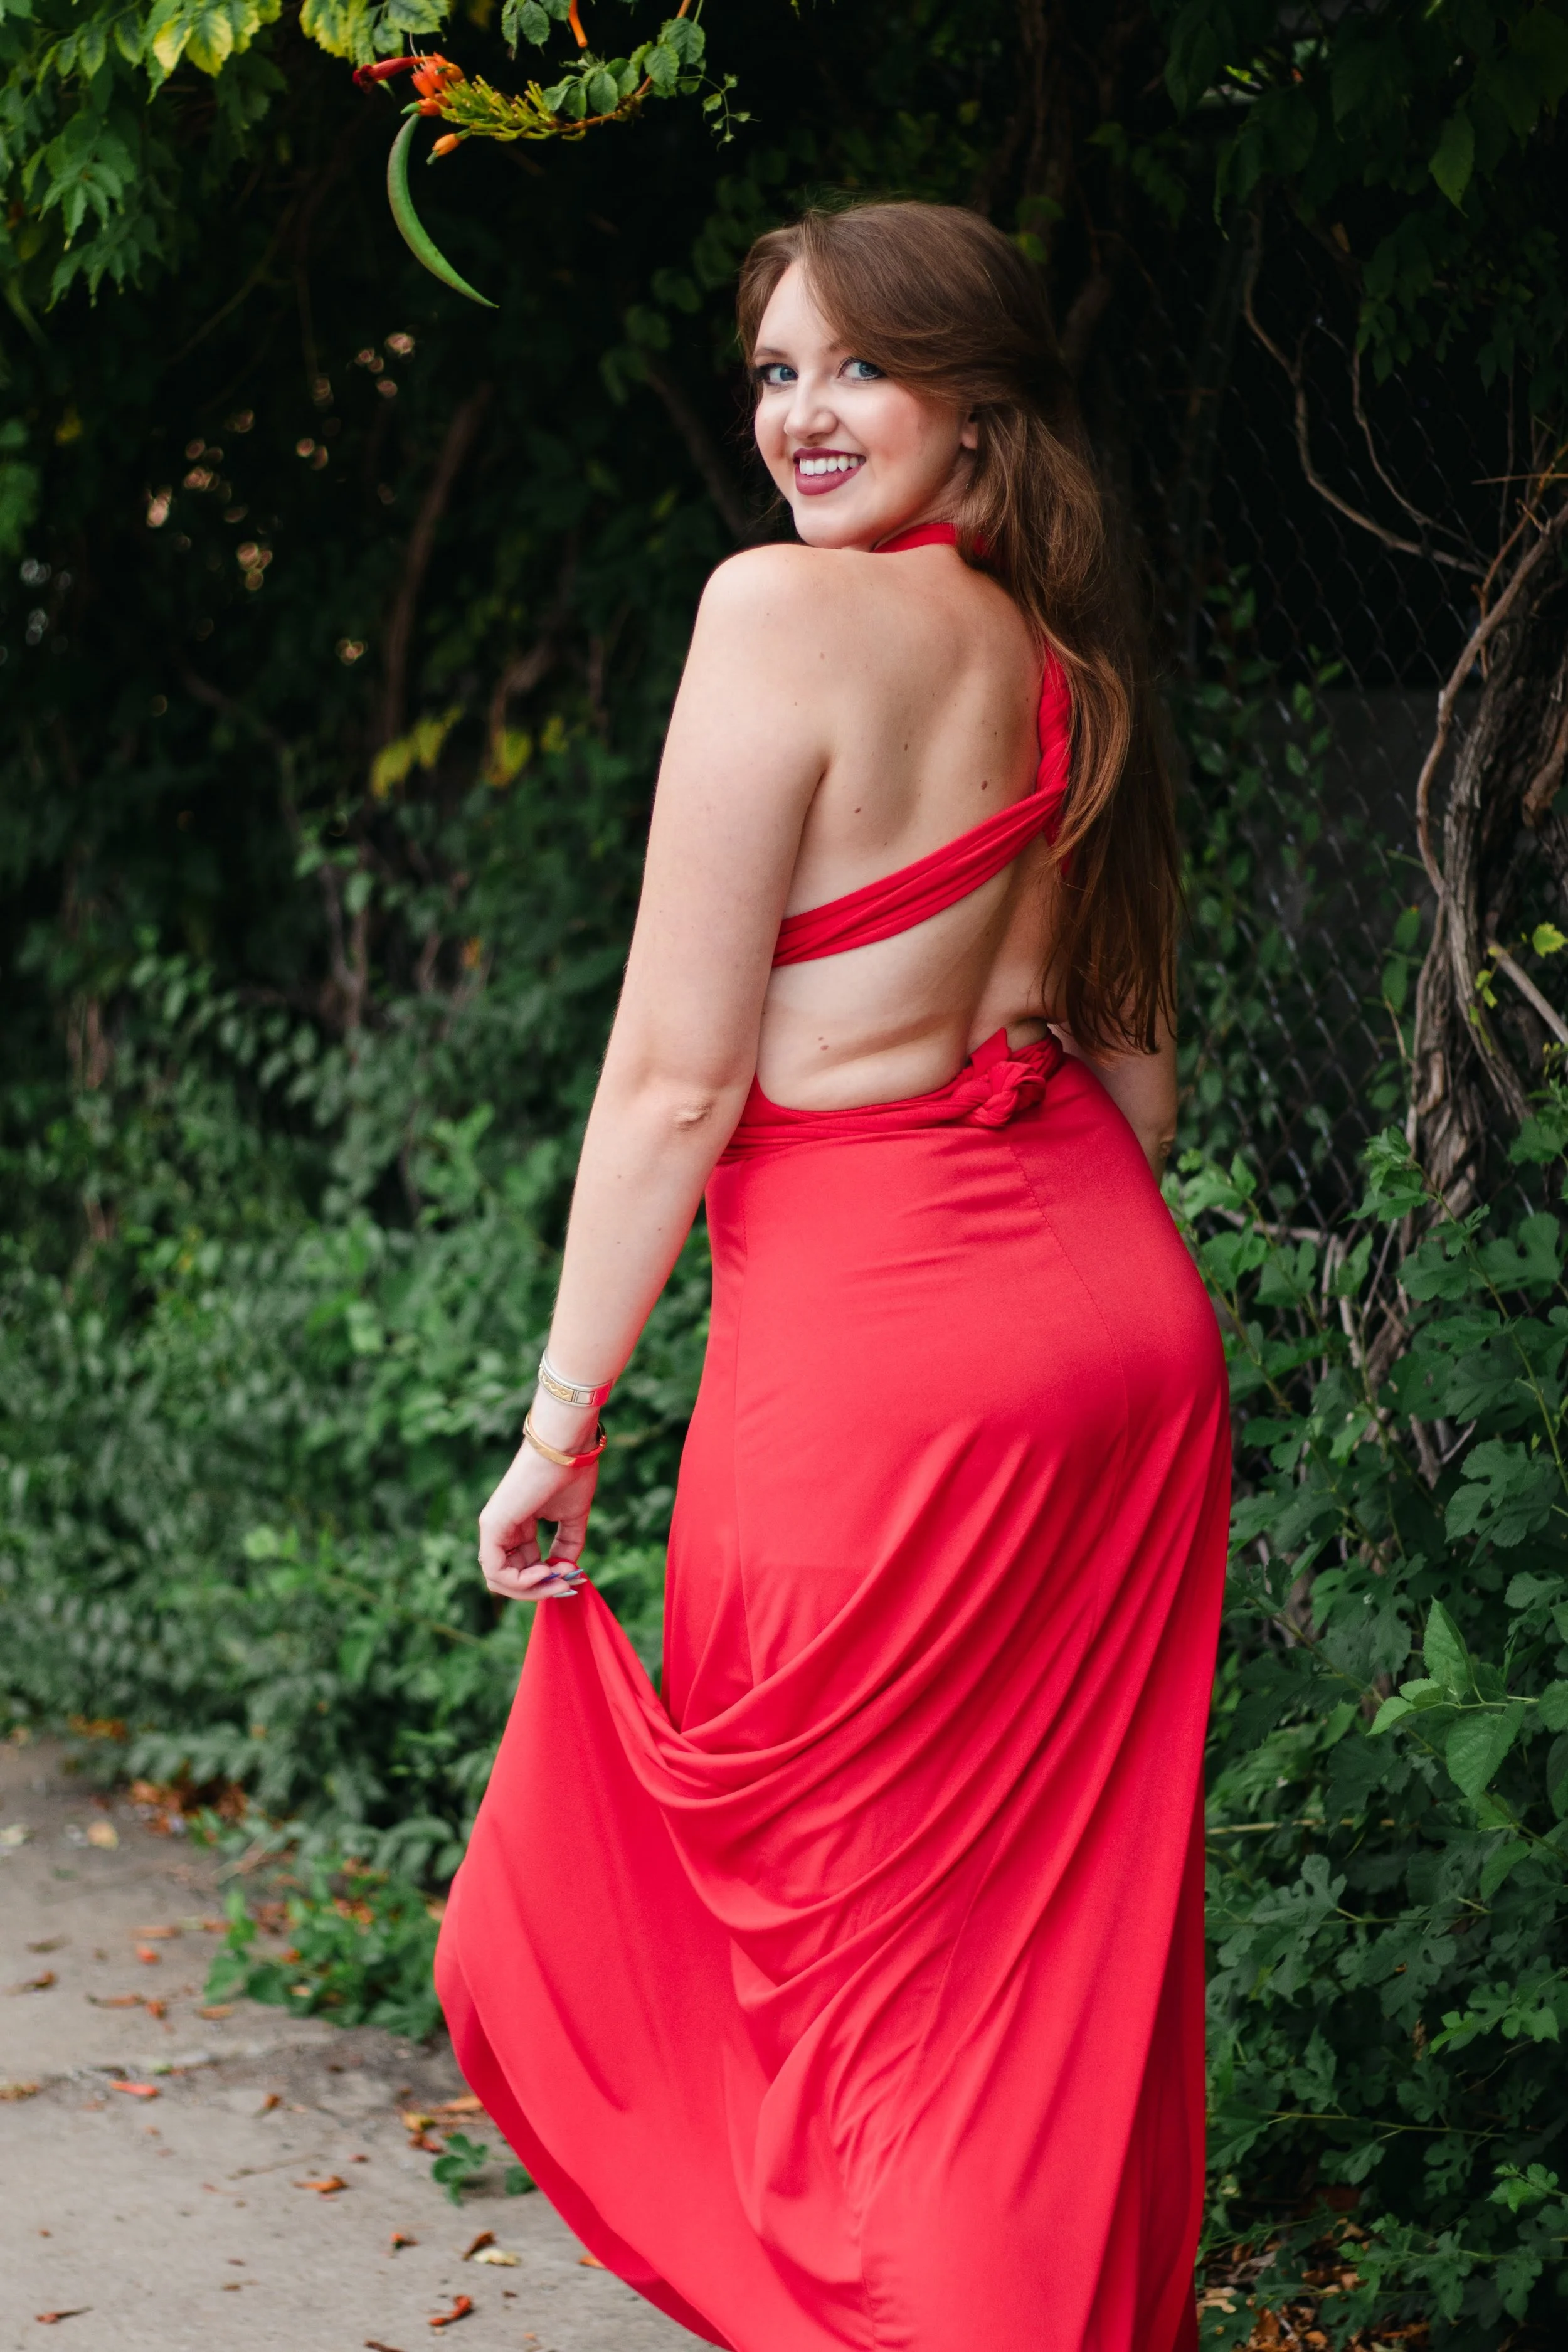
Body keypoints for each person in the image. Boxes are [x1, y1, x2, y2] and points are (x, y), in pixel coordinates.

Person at [436, 200, 1229, 2352]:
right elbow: (1129, 1073)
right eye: (776, 372)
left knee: (866, 1988)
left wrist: (558, 1418)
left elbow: (676, 1078)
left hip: (880, 1363)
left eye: (856, 368)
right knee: (1048, 1970)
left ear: (978, 401)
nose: (800, 415)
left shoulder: (776, 616)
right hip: (1115, 1339)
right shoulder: (1074, 661)